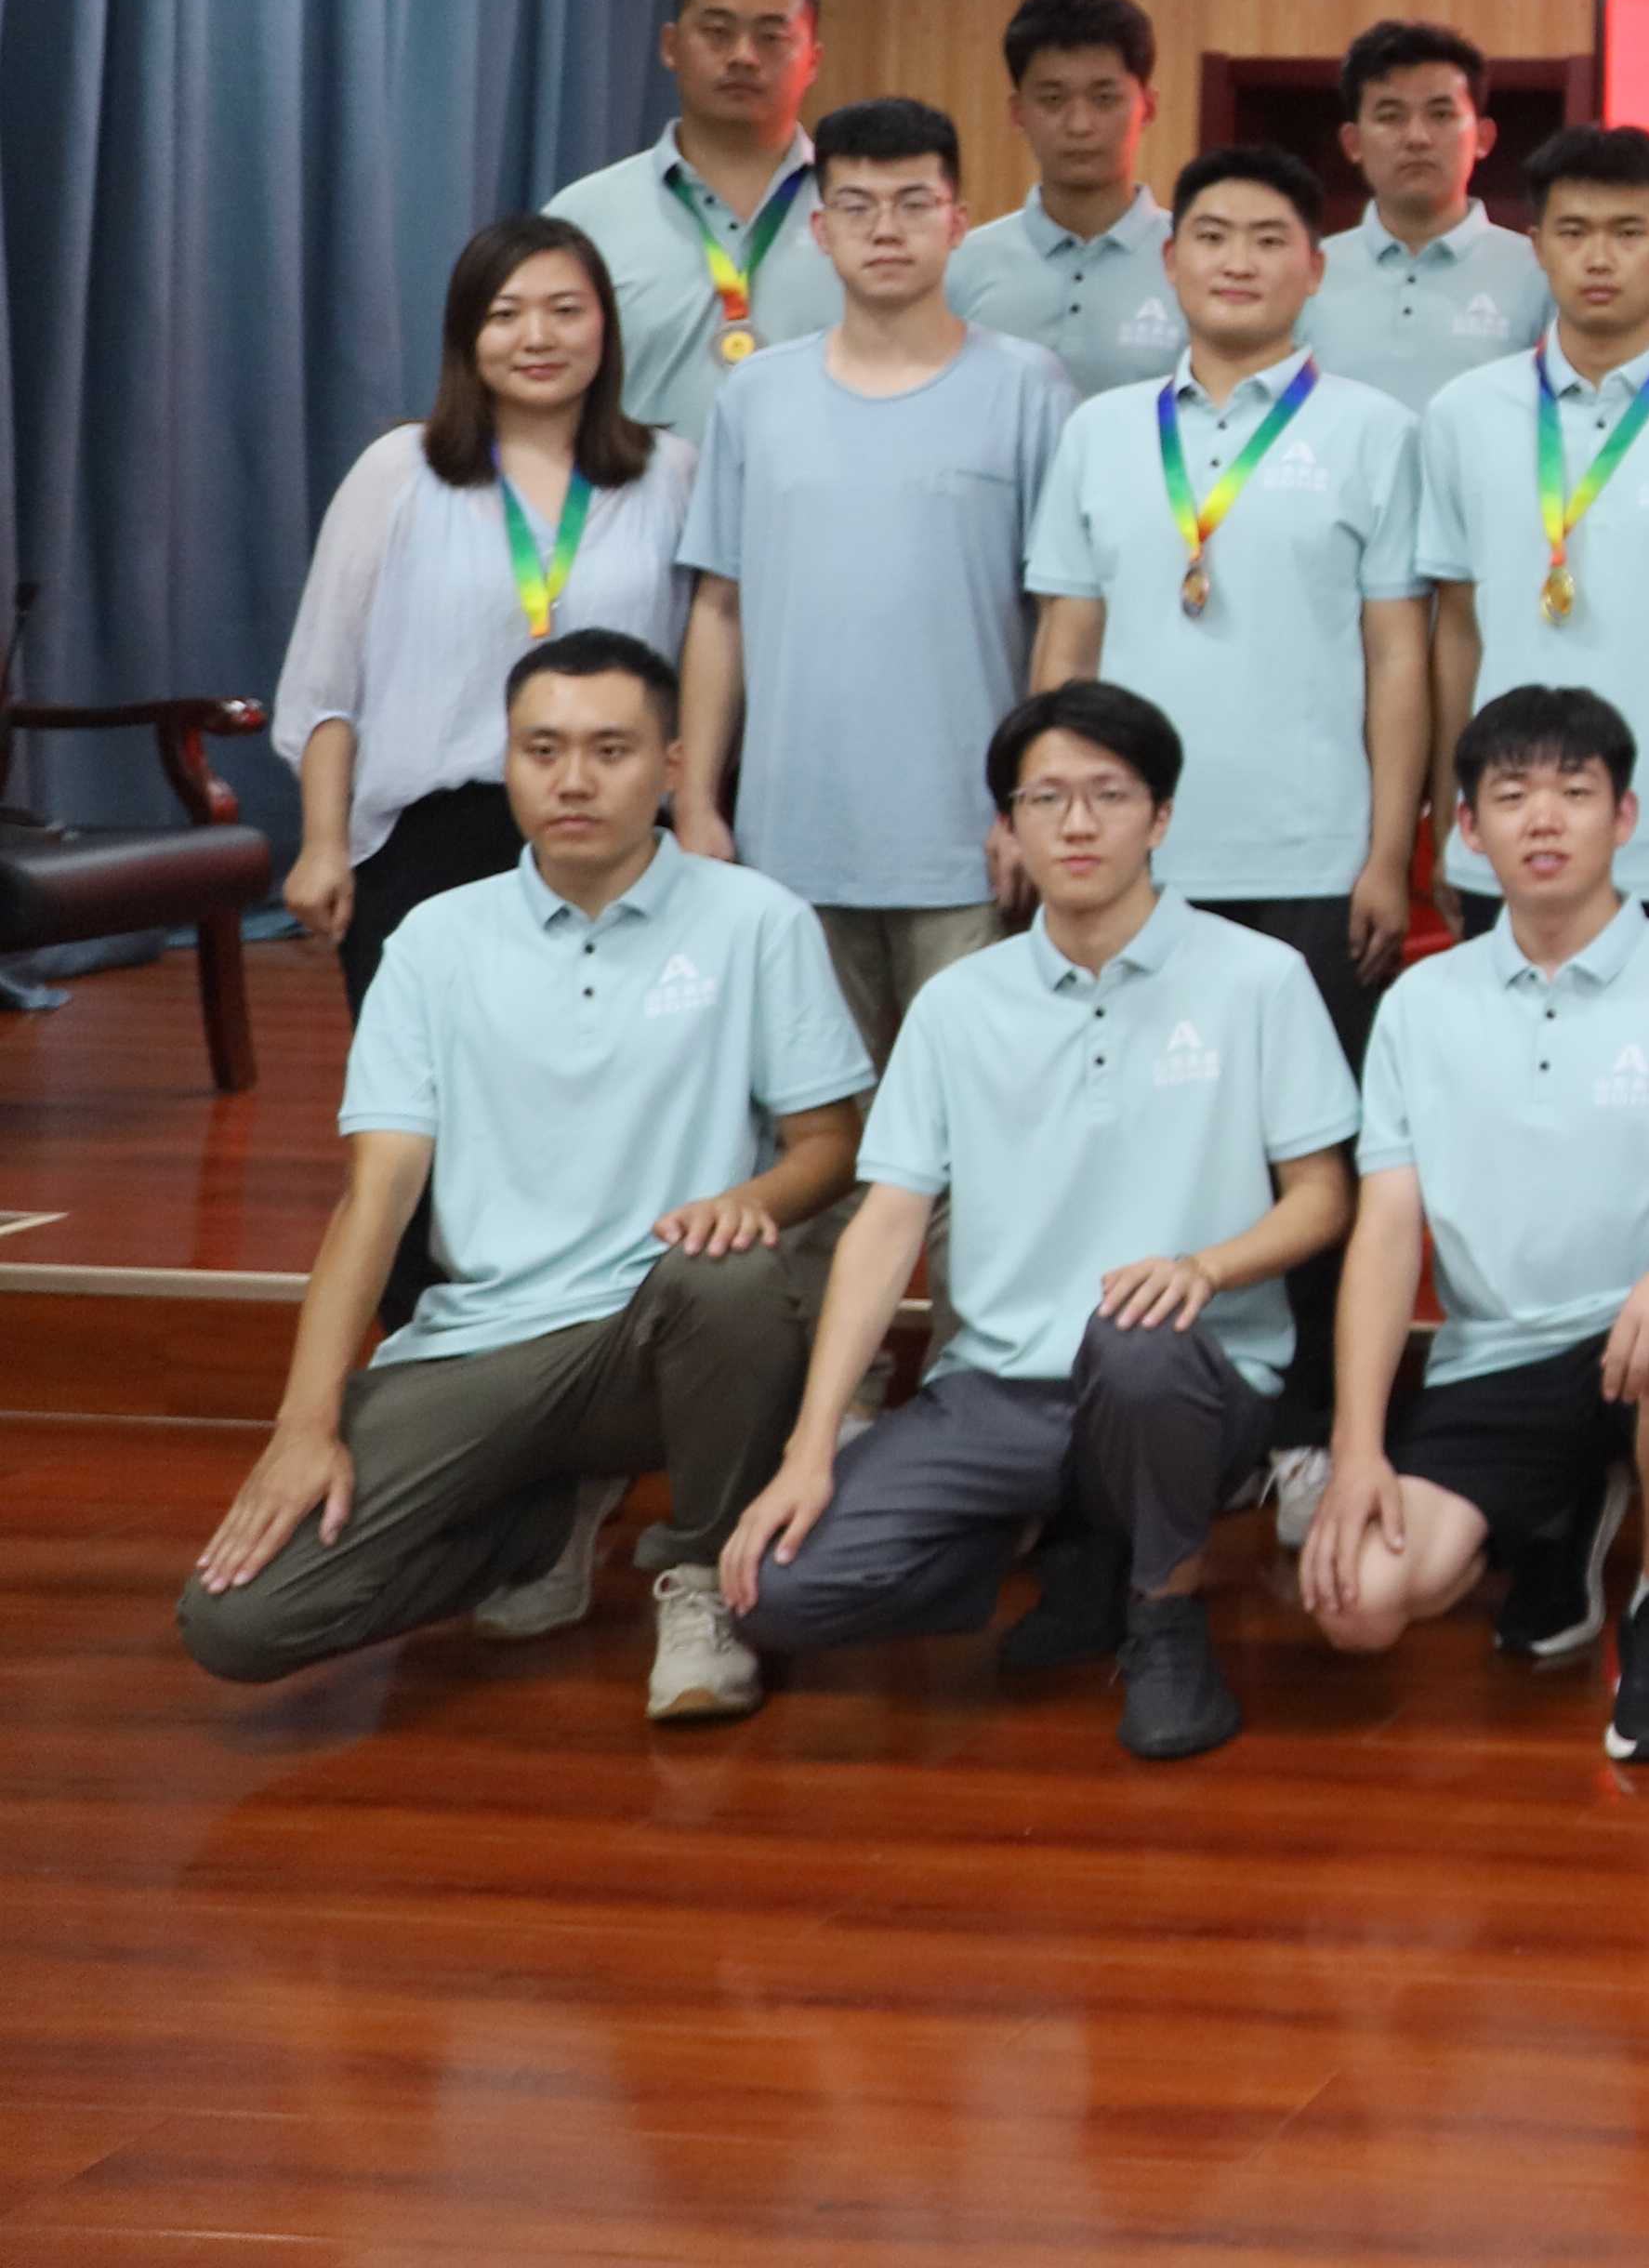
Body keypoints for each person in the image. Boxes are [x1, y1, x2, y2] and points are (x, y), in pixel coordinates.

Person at [179, 630, 860, 1727]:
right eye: (542, 749)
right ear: (507, 761)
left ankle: (699, 1576)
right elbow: (376, 1194)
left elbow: (830, 1141)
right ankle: (538, 1529)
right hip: (482, 1341)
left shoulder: (755, 919)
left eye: (609, 749)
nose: (573, 779)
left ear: (672, 766)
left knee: (732, 1280)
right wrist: (305, 1421)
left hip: (658, 1329)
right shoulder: (433, 939)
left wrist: (753, 1200)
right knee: (240, 1620)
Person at [719, 684, 1358, 1762]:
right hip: (1000, 1387)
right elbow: (885, 1226)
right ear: (1008, 825)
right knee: (779, 1592)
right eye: (1045, 798)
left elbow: (1323, 1196)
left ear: (1160, 816)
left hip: (1193, 1378)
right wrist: (809, 1447)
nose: (1076, 822)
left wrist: (1205, 1266)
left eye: (1109, 794)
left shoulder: (1259, 978)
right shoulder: (958, 1003)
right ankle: (1064, 1537)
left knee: (1139, 1344)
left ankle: (1164, 1613)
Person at [1299, 684, 1649, 1765]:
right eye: (1512, 794)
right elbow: (1385, 1233)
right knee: (1358, 1601)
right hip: (1497, 1355)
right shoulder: (1419, 1003)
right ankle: (1560, 1518)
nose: (1545, 818)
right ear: (1467, 829)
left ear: (1625, 815)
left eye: (1576, 790)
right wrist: (1356, 1447)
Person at [677, 98, 1077, 1055]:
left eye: (913, 203)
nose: (885, 229)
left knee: (973, 1111)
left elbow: (1066, 614)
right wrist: (695, 802)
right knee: (815, 1116)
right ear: (820, 231)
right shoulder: (756, 394)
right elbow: (719, 608)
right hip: (790, 843)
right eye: (857, 207)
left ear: (959, 220)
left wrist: (1035, 803)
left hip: (972, 845)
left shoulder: (1030, 386)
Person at [1026, 144, 1431, 1067]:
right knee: (1145, 1108)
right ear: (1172, 261)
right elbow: (1067, 647)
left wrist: (1385, 856)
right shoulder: (1099, 430)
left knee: (1313, 1120)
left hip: (1316, 858)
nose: (1238, 262)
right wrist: (1045, 816)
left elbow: (1399, 657)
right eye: (1212, 238)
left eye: (1268, 240)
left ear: (1315, 267)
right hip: (1130, 850)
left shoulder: (1376, 432)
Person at [275, 221, 700, 1052]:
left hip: (616, 840)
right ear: (467, 335)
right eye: (505, 314)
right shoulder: (397, 472)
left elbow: (705, 671)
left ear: (606, 327)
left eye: (565, 311)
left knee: (606, 1084)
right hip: (429, 840)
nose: (537, 337)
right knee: (429, 1093)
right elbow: (325, 690)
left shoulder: (671, 473)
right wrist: (323, 846)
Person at [1414, 125, 1649, 943]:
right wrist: (1452, 804)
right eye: (1574, 231)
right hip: (1510, 836)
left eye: (1628, 233)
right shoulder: (1463, 414)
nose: (1599, 258)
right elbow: (1456, 631)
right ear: (1537, 247)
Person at [543, 0, 838, 432]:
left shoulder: (863, 216)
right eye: (717, 33)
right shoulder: (583, 217)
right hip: (633, 483)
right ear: (671, 46)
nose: (743, 56)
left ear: (812, 60)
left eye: (772, 37)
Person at [945, 0, 1182, 397]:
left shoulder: (1197, 267)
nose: (1079, 125)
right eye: (1053, 100)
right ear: (1017, 112)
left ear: (1148, 106)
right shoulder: (959, 267)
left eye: (1104, 99)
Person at [1299, 16, 1544, 415]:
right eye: (1390, 116)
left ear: (1483, 138)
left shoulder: (1539, 272)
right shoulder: (1303, 275)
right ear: (1353, 142)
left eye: (1441, 115)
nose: (1417, 137)